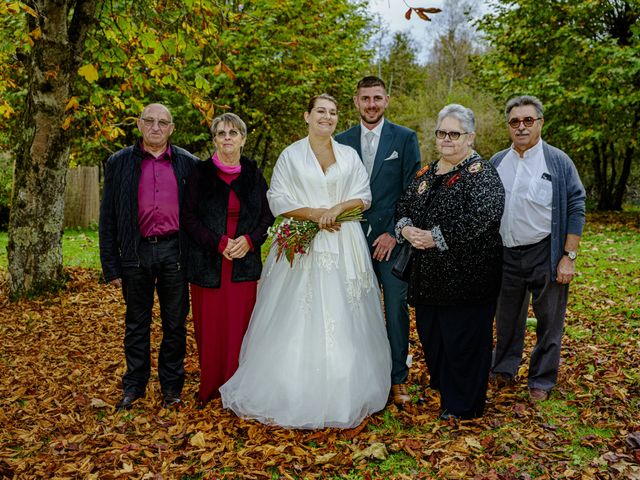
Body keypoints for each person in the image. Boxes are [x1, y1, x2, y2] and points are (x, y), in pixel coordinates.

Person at [219, 94, 392, 429]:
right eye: (320, 112)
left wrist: (336, 209)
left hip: (343, 241)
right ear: (307, 116)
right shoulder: (291, 155)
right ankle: (289, 390)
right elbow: (278, 198)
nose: (326, 117)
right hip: (302, 242)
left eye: (332, 113)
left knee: (345, 311)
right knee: (298, 313)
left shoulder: (348, 154)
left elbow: (364, 195)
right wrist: (314, 213)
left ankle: (346, 391)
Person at [395, 104, 505, 419]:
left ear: (469, 137)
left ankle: (463, 406)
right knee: (435, 337)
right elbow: (403, 204)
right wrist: (406, 228)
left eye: (454, 134)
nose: (447, 139)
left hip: (468, 277)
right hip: (429, 278)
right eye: (442, 133)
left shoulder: (481, 174)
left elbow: (482, 217)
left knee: (465, 340)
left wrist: (436, 237)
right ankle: (446, 391)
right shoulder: (427, 173)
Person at [99, 103, 198, 410]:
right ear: (139, 124)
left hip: (175, 252)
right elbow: (108, 217)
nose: (156, 127)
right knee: (136, 322)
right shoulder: (119, 163)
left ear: (171, 128)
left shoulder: (189, 163)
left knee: (175, 324)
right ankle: (134, 386)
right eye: (150, 121)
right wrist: (110, 264)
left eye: (163, 122)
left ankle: (171, 388)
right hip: (136, 252)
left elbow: (200, 215)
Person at [490, 95, 586, 402]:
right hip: (506, 254)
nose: (521, 127)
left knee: (549, 320)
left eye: (528, 121)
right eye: (515, 121)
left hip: (546, 251)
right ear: (508, 126)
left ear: (540, 123)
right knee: (506, 319)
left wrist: (568, 257)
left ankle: (541, 380)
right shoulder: (496, 162)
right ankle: (504, 369)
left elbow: (576, 205)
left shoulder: (557, 161)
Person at [335, 76, 421, 405]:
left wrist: (393, 233)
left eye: (377, 98)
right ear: (355, 102)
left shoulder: (405, 138)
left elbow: (412, 192)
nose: (371, 104)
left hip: (392, 242)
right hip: (351, 239)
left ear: (387, 100)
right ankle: (361, 376)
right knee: (353, 308)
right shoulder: (340, 142)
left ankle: (398, 377)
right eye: (365, 98)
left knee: (395, 308)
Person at [181, 113, 274, 405]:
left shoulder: (254, 174)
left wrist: (248, 241)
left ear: (243, 139)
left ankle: (238, 390)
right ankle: (210, 387)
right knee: (210, 328)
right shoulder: (200, 173)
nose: (227, 138)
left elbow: (267, 216)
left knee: (240, 327)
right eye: (221, 133)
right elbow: (189, 217)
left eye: (233, 133)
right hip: (209, 261)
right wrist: (219, 242)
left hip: (243, 264)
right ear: (214, 140)